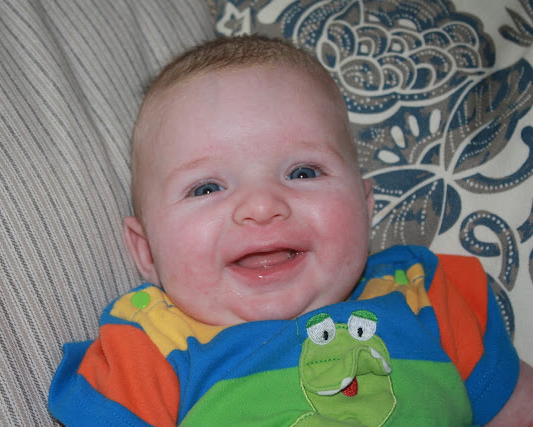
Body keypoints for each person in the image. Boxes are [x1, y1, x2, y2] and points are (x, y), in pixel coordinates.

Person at [49, 35, 532, 426]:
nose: (262, 206)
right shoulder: (151, 346)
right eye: (206, 187)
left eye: (303, 172)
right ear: (146, 250)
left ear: (365, 207)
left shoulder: (427, 296)